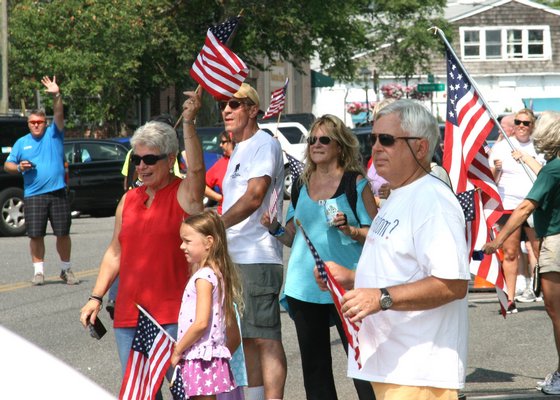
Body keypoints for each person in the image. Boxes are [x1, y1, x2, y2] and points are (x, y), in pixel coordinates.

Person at [318, 100, 470, 400]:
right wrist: (350, 278)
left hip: (417, 372)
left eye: (386, 140)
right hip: (389, 365)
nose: (375, 147)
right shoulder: (400, 194)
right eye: (372, 139)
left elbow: (453, 284)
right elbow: (398, 267)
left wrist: (381, 297)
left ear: (421, 147)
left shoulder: (433, 201)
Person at [79, 90, 205, 392]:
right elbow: (115, 251)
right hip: (129, 315)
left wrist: (188, 123)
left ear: (171, 158)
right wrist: (96, 297)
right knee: (140, 393)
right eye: (137, 159)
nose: (142, 166)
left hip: (173, 316)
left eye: (150, 159)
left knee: (183, 392)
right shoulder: (128, 199)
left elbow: (198, 170)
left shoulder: (183, 194)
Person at [261, 114, 377, 400]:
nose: (316, 144)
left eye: (324, 139)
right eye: (312, 139)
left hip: (346, 287)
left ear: (339, 145)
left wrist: (351, 230)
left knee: (363, 366)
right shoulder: (301, 183)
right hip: (305, 286)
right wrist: (274, 228)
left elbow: (377, 236)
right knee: (315, 373)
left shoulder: (355, 183)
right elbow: (293, 236)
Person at [482, 111, 560, 395]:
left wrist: (496, 241)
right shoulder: (552, 167)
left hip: (555, 240)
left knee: (556, 312)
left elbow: (526, 207)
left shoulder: (553, 168)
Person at [220, 83, 287, 400]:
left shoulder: (264, 144)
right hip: (236, 256)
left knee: (266, 339)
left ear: (253, 110)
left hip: (258, 256)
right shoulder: (239, 149)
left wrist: (216, 226)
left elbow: (254, 196)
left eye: (235, 104)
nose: (226, 110)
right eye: (224, 104)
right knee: (247, 337)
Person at [4, 76, 78, 286]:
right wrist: (19, 167)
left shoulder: (55, 134)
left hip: (57, 192)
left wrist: (56, 95)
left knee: (62, 233)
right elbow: (8, 165)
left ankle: (66, 269)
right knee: (36, 235)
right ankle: (39, 272)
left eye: (40, 122)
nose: (37, 125)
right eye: (33, 122)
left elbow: (59, 113)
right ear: (28, 124)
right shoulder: (21, 143)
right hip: (34, 194)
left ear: (45, 123)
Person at [171, 211, 243, 399]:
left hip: (200, 356)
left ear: (208, 242)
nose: (181, 246)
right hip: (210, 355)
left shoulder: (203, 277)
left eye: (187, 241)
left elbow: (201, 322)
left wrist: (178, 349)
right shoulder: (217, 273)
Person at [490, 108, 545, 310]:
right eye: (518, 122)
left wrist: (526, 159)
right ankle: (510, 298)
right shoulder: (502, 147)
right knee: (510, 252)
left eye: (526, 123)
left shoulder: (540, 147)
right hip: (509, 205)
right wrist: (496, 169)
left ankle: (543, 290)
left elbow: (545, 176)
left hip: (534, 204)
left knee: (539, 251)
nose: (521, 126)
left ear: (533, 126)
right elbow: (491, 181)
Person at [205, 131, 235, 214]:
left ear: (233, 142)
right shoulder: (221, 163)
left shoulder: (247, 160)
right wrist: (219, 198)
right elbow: (201, 186)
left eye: (223, 142)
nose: (220, 145)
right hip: (225, 214)